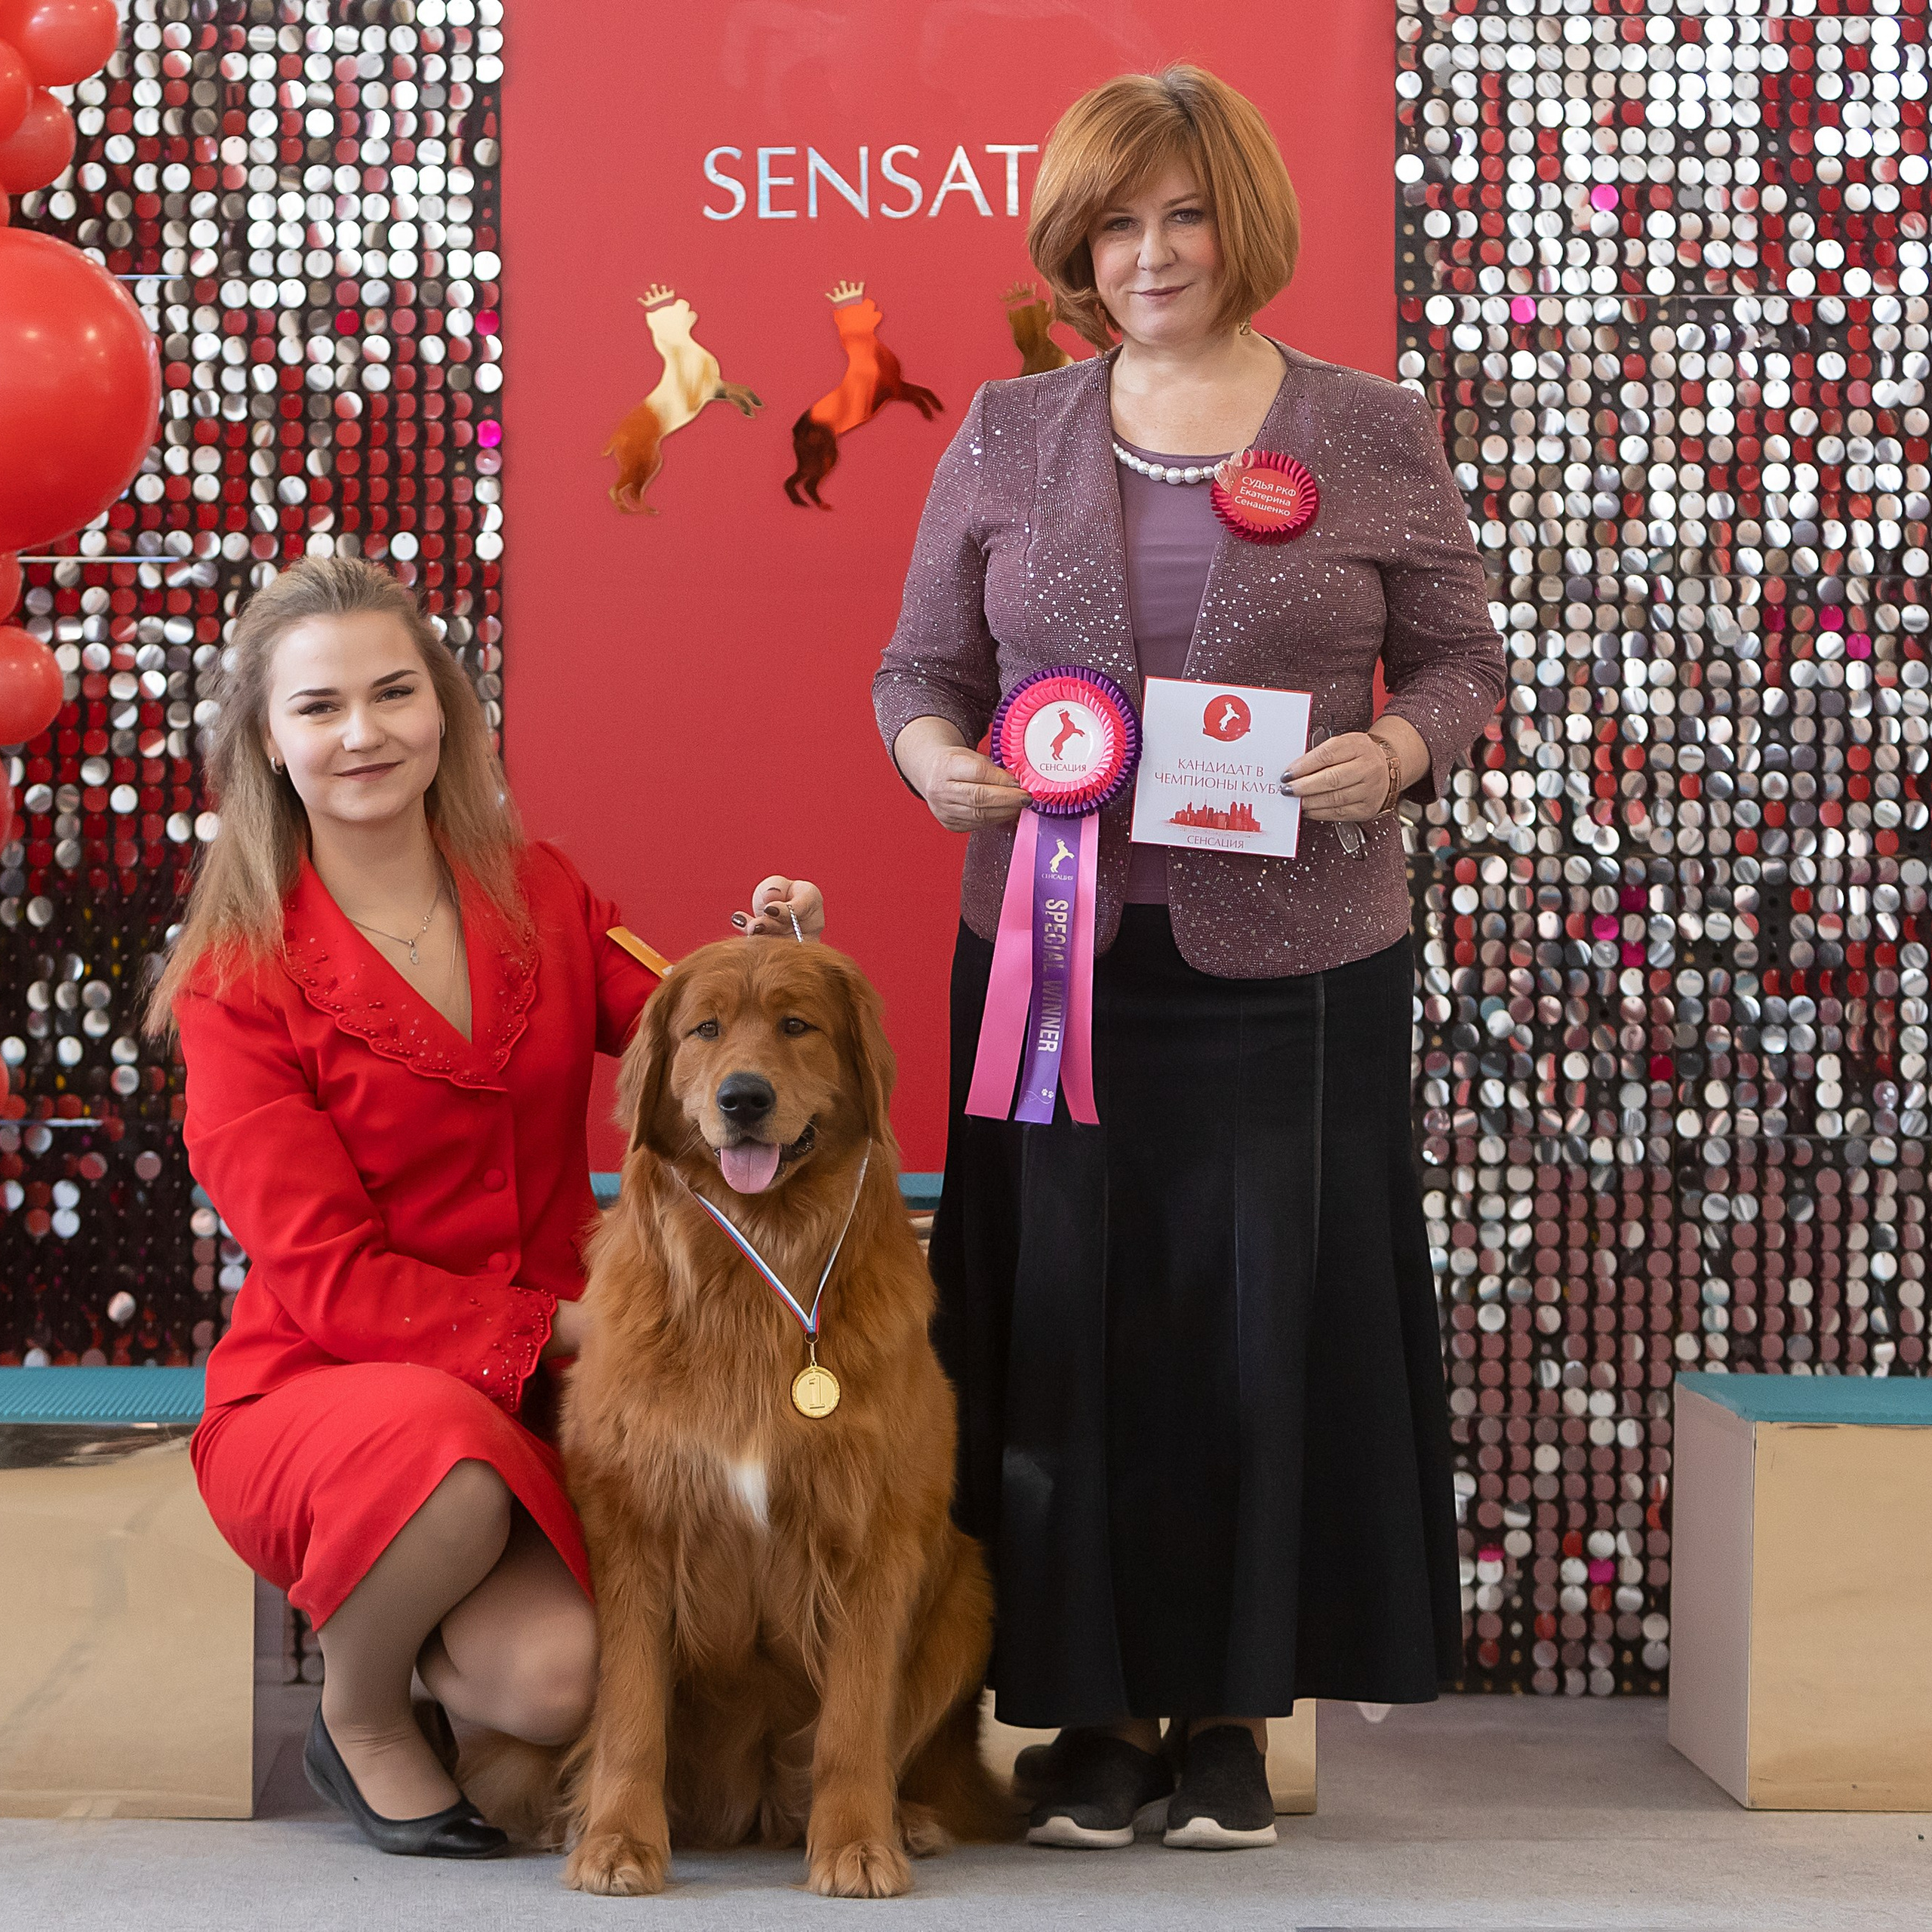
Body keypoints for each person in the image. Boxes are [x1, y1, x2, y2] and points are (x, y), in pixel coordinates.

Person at [874, 65, 1506, 1851]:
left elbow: (1461, 657)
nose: (1146, 252)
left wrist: (1393, 753)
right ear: (1076, 245)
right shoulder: (1004, 428)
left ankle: (1228, 1712)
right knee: (1062, 1316)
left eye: (1179, 213)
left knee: (1256, 1322)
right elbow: (915, 669)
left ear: (1240, 222)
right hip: (1050, 960)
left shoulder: (1365, 424)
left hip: (1300, 954)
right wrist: (938, 764)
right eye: (1112, 222)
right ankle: (1078, 1711)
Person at [148, 557, 823, 1858]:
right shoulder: (233, 980)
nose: (363, 733)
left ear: (445, 711)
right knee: (447, 1462)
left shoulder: (543, 890)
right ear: (267, 745)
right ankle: (359, 1715)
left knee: (561, 1684)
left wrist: (767, 959)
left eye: (395, 692)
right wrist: (586, 1330)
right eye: (321, 707)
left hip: (551, 1390)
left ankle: (438, 1647)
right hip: (329, 1388)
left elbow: (680, 1023)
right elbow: (331, 1281)